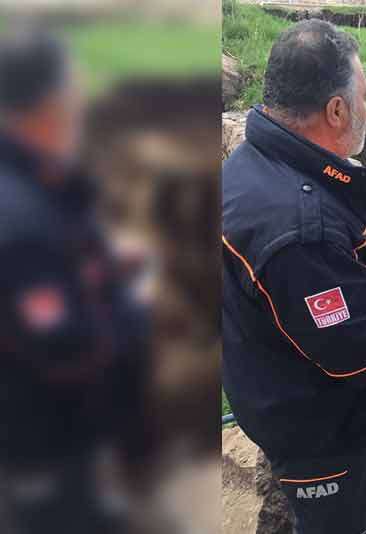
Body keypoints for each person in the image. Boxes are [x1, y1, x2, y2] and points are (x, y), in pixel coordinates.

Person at [222, 20, 366, 534]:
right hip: (318, 426)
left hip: (302, 386)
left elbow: (325, 277)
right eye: (364, 96)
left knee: (359, 488)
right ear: (336, 109)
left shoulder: (260, 159)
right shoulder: (300, 230)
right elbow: (360, 350)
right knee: (333, 520)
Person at [0, 29, 150, 534]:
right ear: (43, 104)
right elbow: (65, 347)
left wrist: (104, 272)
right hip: (46, 448)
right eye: (73, 91)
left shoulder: (41, 179)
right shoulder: (19, 219)